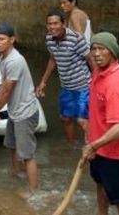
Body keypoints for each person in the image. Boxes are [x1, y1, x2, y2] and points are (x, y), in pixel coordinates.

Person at [82, 32, 119, 215]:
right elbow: (96, 109)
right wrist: (89, 135)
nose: (96, 53)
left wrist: (94, 145)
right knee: (100, 184)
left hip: (113, 151)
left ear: (113, 53)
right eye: (93, 49)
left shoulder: (116, 83)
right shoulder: (99, 71)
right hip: (99, 146)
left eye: (102, 49)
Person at [0, 23, 40, 192]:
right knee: (12, 147)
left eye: (2, 39)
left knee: (27, 155)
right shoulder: (3, 58)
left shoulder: (15, 60)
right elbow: (4, 87)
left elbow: (7, 89)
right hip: (15, 112)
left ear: (12, 40)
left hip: (24, 113)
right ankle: (18, 179)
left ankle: (34, 193)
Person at [36, 10, 92, 147]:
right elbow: (53, 59)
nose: (52, 27)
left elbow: (90, 59)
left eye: (55, 23)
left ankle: (95, 147)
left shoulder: (76, 38)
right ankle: (71, 147)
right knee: (65, 118)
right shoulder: (49, 38)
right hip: (66, 86)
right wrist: (43, 81)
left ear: (63, 24)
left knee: (82, 121)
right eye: (49, 24)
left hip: (83, 85)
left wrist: (99, 82)